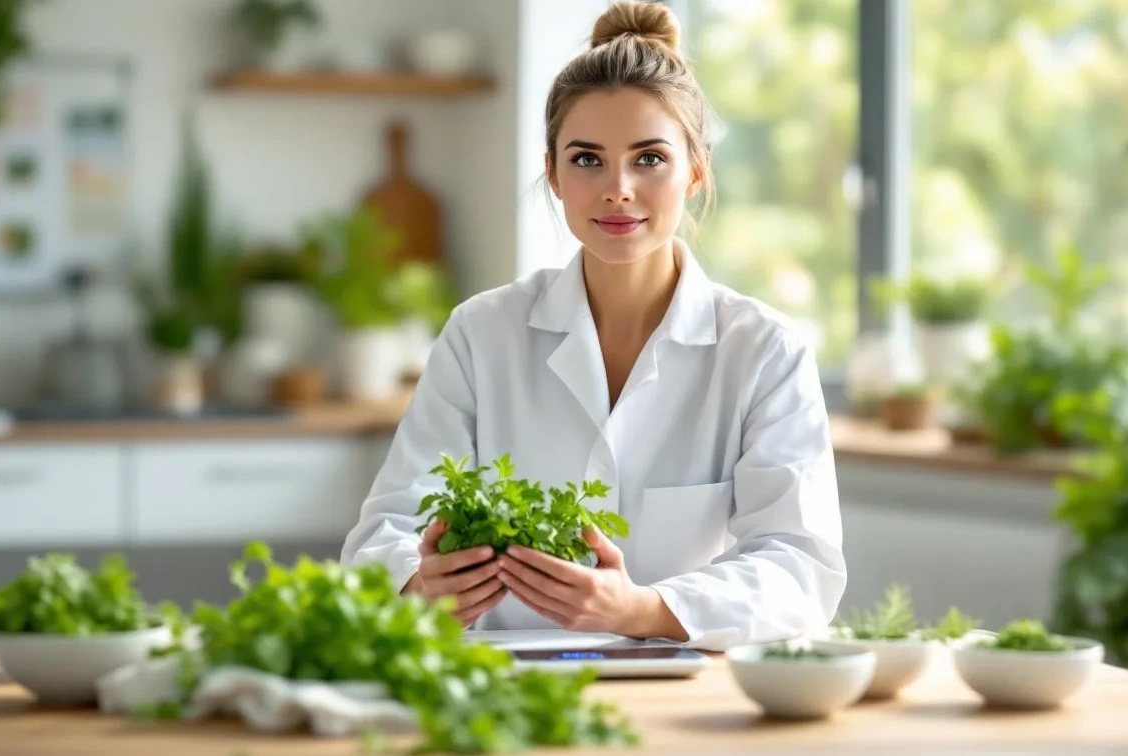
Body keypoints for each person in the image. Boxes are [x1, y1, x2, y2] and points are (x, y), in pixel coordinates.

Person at [340, 0, 845, 651]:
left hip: (683, 697)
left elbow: (801, 568)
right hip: (498, 688)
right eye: (586, 159)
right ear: (552, 173)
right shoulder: (480, 335)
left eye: (650, 159)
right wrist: (418, 585)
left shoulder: (765, 351)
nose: (618, 188)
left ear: (696, 169)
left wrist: (642, 608)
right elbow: (385, 534)